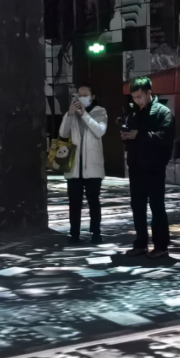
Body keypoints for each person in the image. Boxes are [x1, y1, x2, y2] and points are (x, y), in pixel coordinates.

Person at [122, 76, 175, 258]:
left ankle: (161, 245)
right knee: (137, 206)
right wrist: (127, 136)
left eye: (139, 96)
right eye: (133, 97)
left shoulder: (163, 112)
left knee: (156, 206)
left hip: (154, 167)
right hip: (135, 166)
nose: (136, 100)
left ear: (149, 92)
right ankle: (141, 243)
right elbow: (132, 137)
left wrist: (139, 135)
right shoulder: (133, 113)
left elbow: (165, 137)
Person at [59, 84, 108, 244]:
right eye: (78, 95)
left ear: (92, 97)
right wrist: (70, 114)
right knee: (74, 203)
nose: (81, 98)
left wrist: (84, 114)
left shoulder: (100, 112)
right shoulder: (71, 113)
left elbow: (99, 131)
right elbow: (62, 133)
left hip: (92, 167)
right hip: (74, 166)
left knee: (93, 201)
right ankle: (74, 234)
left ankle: (96, 232)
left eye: (85, 95)